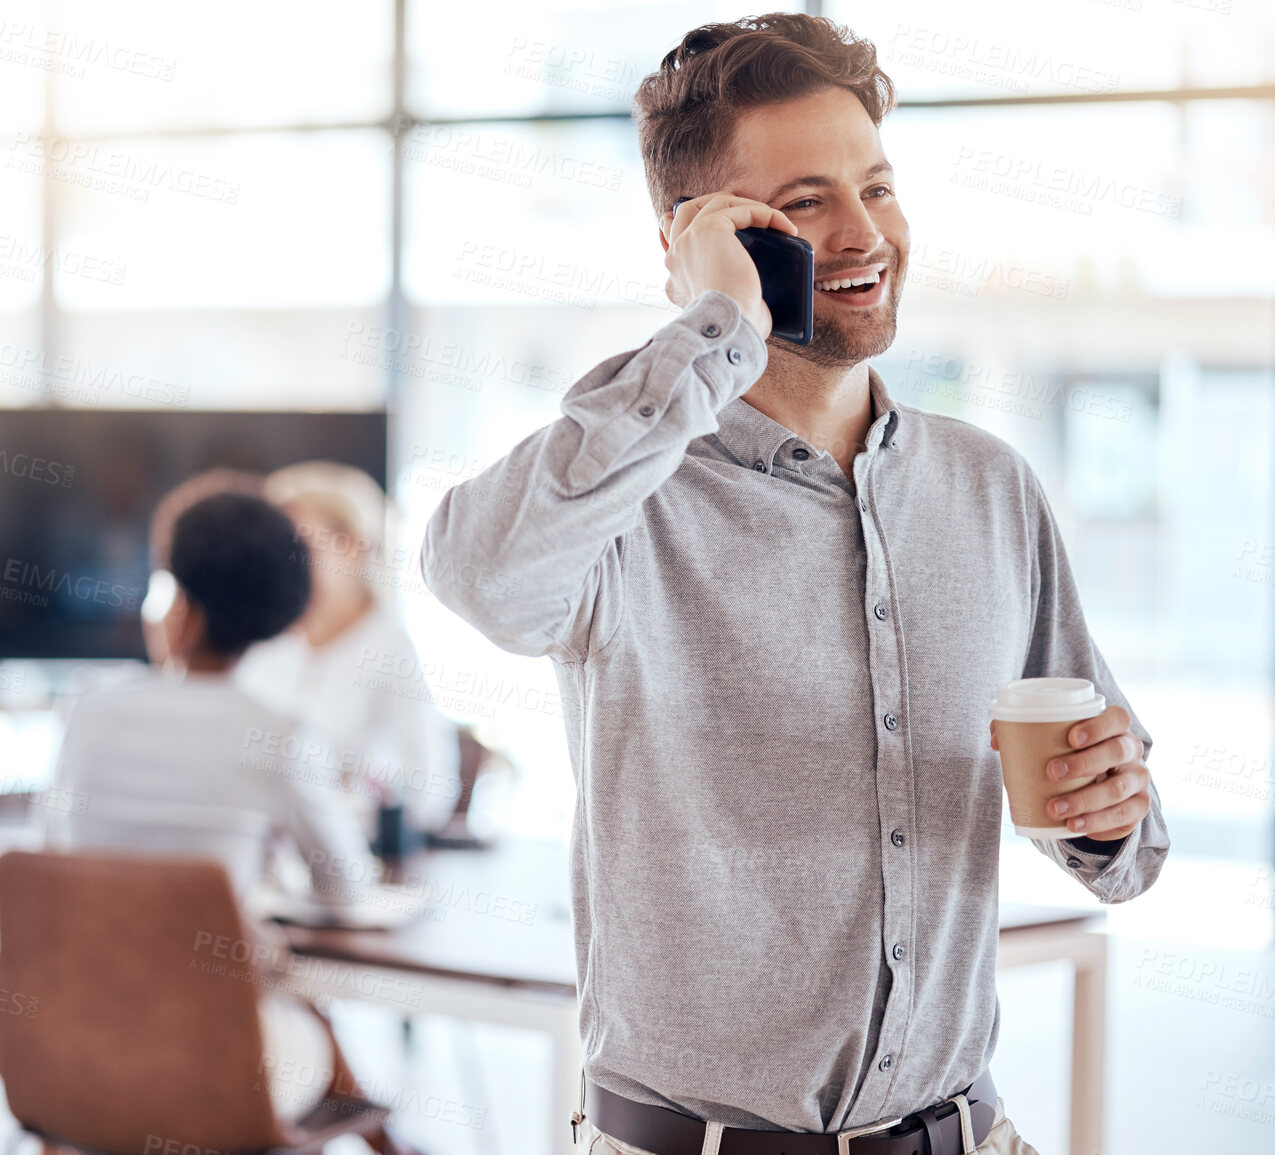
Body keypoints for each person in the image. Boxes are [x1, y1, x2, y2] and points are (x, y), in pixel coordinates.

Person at [419, 14, 1168, 1155]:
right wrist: (716, 327)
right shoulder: (623, 492)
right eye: (808, 204)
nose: (868, 233)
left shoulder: (989, 487)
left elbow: (1119, 826)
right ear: (701, 236)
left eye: (878, 185)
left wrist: (1110, 819)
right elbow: (476, 574)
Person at [47, 488, 383, 1132]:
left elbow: (55, 857)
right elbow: (347, 889)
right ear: (280, 614)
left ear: (176, 594)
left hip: (80, 1045)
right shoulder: (280, 736)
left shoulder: (89, 710)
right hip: (215, 1060)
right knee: (303, 1031)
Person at [235, 462, 461, 838]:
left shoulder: (391, 650)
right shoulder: (261, 643)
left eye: (297, 545)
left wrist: (346, 798)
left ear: (352, 546)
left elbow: (430, 796)